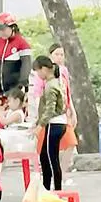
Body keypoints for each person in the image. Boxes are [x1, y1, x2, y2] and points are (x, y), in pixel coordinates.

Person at [33, 56, 67, 191]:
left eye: (37, 71)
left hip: (54, 124)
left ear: (44, 69)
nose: (38, 75)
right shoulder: (54, 83)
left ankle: (56, 190)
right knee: (45, 157)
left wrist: (40, 125)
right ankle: (46, 187)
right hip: (56, 123)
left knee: (51, 159)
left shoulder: (50, 86)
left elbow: (50, 109)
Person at [48, 43, 78, 180]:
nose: (59, 57)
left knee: (70, 142)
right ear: (50, 56)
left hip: (64, 112)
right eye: (56, 54)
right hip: (51, 113)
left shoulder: (64, 71)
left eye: (61, 55)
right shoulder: (45, 72)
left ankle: (62, 172)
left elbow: (67, 92)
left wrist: (72, 110)